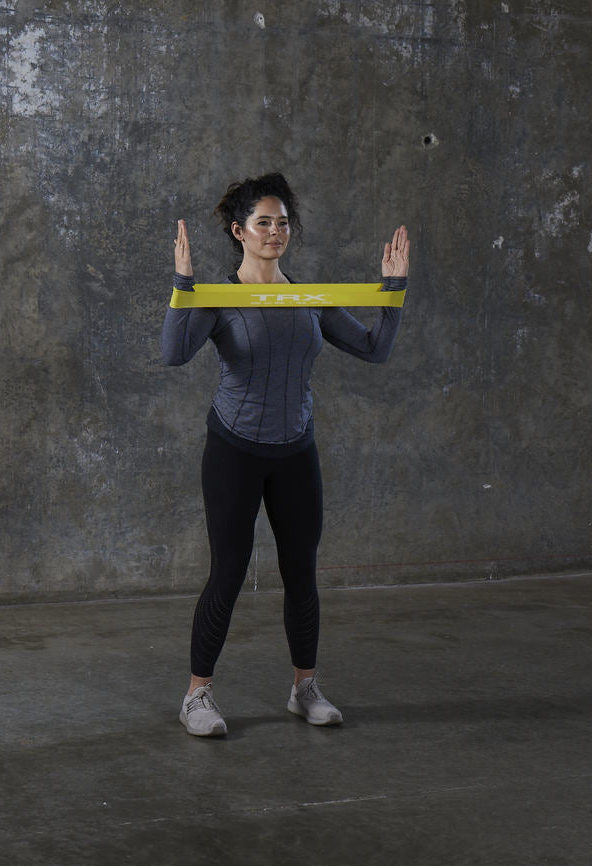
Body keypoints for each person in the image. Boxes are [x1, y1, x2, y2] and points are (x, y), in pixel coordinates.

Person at [161, 172, 410, 737]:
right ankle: (197, 696)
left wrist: (393, 290)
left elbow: (375, 349)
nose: (275, 231)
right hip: (234, 450)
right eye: (263, 223)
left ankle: (305, 688)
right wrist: (183, 283)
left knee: (301, 573)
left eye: (282, 222)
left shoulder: (309, 299)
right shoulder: (220, 299)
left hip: (296, 450)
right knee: (227, 572)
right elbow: (174, 354)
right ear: (239, 232)